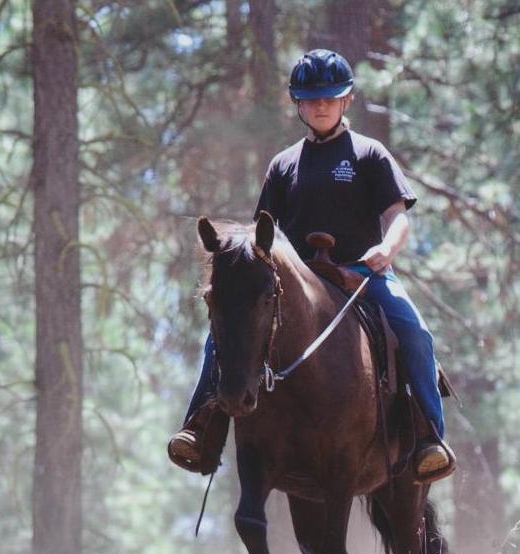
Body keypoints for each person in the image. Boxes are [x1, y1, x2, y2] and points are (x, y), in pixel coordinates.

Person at [168, 48, 455, 482]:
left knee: (415, 333)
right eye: (311, 98)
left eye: (330, 97)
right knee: (224, 334)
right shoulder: (283, 165)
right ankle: (201, 428)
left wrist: (386, 250)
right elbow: (260, 234)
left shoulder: (369, 154)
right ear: (298, 103)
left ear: (347, 101)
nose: (320, 106)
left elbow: (398, 215)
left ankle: (428, 437)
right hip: (296, 285)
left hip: (363, 276)